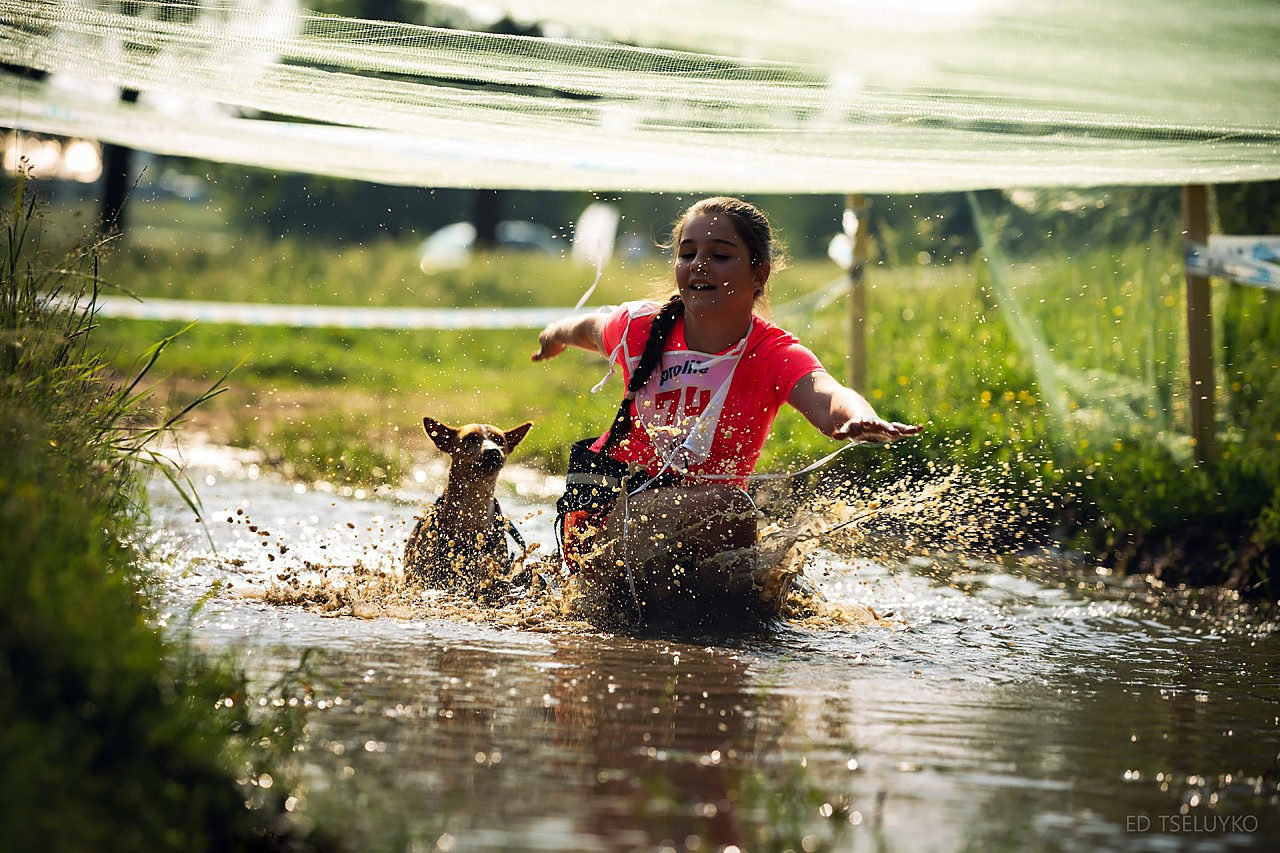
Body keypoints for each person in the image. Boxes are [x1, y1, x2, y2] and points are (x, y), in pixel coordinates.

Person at [531, 196, 920, 623]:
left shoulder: (771, 352)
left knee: (760, 566)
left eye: (719, 255)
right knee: (731, 508)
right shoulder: (640, 327)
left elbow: (826, 392)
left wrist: (855, 417)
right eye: (688, 253)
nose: (700, 264)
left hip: (692, 518)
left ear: (759, 273)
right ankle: (606, 599)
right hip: (606, 510)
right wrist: (554, 335)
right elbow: (584, 328)